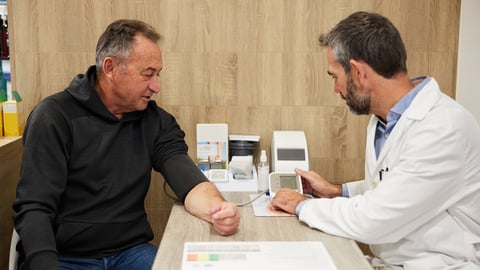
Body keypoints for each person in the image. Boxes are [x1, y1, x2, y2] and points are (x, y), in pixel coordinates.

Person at [13, 19, 240, 270]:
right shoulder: (54, 117)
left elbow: (189, 182)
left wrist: (218, 210)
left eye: (158, 74)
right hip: (65, 257)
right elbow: (34, 207)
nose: (156, 86)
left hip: (130, 254)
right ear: (110, 67)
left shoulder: (156, 121)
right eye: (148, 74)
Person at [270, 11, 480, 269]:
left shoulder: (443, 128)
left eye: (335, 76)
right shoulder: (383, 120)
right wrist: (338, 191)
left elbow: (374, 220)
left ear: (358, 72)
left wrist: (303, 206)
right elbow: (397, 185)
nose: (336, 88)